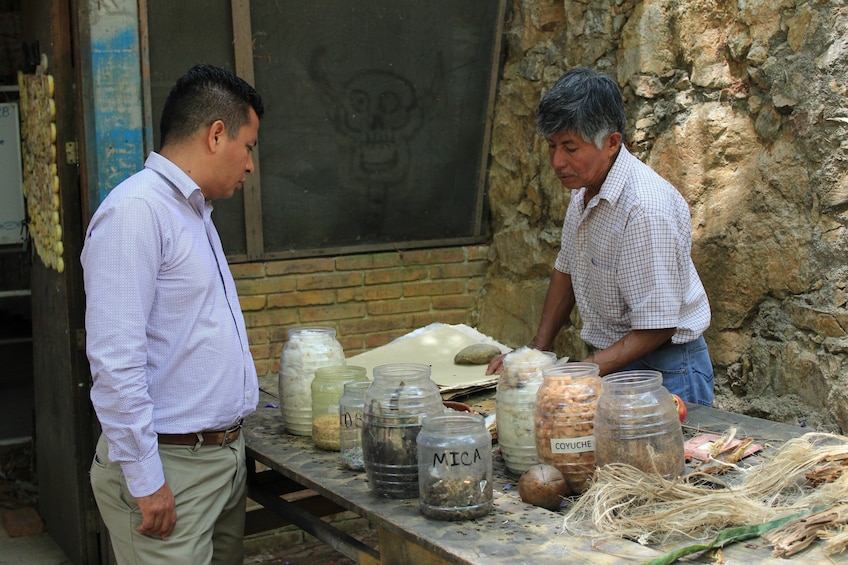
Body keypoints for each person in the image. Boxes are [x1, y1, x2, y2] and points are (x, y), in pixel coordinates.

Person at [81, 64, 264, 563]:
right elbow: (115, 361)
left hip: (219, 461)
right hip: (170, 467)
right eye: (248, 147)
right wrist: (146, 480)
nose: (250, 165)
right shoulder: (137, 211)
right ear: (216, 134)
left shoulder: (194, 212)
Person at [487, 67, 714, 406]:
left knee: (662, 458)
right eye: (551, 146)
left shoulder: (644, 208)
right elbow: (566, 270)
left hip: (667, 369)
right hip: (619, 362)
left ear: (611, 143)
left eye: (570, 148)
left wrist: (579, 372)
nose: (557, 161)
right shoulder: (585, 192)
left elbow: (658, 326)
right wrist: (535, 354)